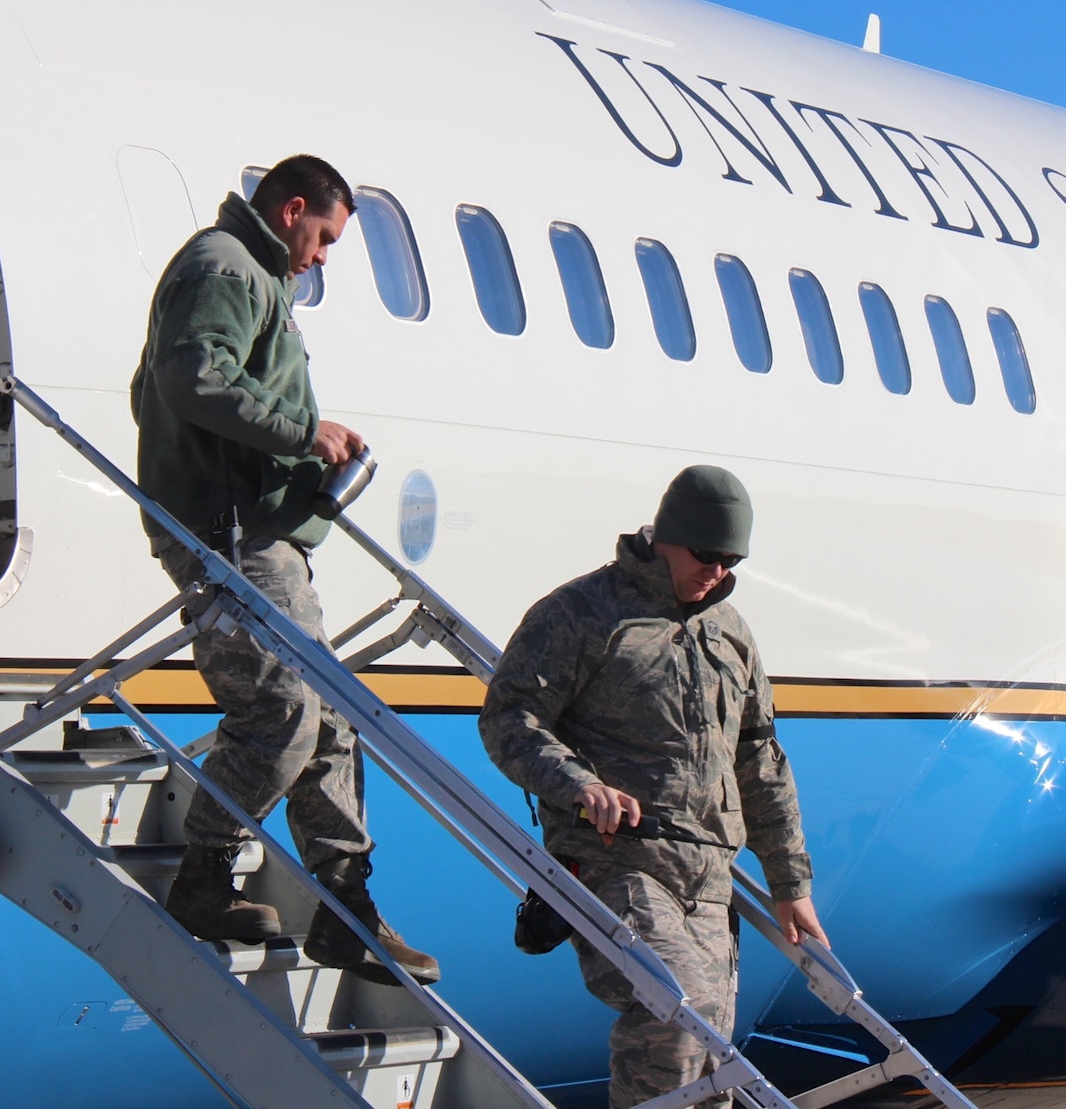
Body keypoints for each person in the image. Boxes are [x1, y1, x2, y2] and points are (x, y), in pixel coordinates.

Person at [130, 153, 438, 986]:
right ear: (292, 207)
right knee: (285, 710)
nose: (323, 256)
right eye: (325, 236)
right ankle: (203, 877)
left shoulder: (257, 277)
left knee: (332, 716)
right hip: (229, 534)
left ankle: (344, 907)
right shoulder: (224, 265)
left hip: (266, 533)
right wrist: (305, 433)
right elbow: (192, 378)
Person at [480, 465, 824, 1108]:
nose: (717, 572)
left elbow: (760, 760)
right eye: (706, 555)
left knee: (711, 1064)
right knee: (673, 1013)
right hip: (620, 862)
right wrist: (577, 784)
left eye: (731, 560)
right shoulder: (582, 614)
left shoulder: (732, 635)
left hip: (708, 876)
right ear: (666, 536)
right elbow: (509, 716)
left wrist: (790, 883)